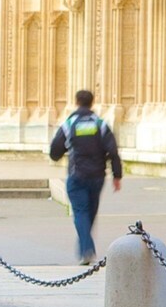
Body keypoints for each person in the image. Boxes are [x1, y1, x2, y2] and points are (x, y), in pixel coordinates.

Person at [48, 90, 124, 264]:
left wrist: (61, 153)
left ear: (77, 102)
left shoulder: (69, 124)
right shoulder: (100, 124)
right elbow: (113, 151)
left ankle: (86, 249)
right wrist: (117, 175)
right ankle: (86, 246)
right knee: (90, 212)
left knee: (81, 212)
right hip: (97, 176)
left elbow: (55, 151)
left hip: (77, 175)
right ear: (92, 103)